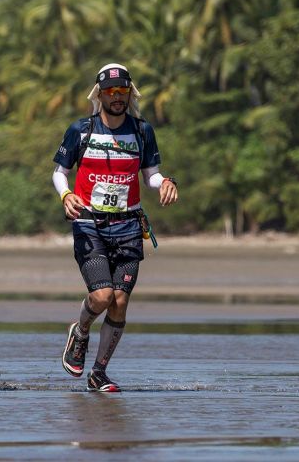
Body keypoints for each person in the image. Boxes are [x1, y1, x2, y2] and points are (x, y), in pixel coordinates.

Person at [52, 63, 178, 392]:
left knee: (120, 301)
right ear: (100, 95)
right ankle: (80, 332)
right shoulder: (80, 130)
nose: (117, 97)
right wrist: (65, 195)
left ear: (130, 94)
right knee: (103, 295)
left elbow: (150, 174)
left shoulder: (141, 131)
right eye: (111, 92)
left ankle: (99, 372)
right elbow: (59, 172)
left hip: (128, 226)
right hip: (89, 223)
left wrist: (164, 182)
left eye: (123, 91)